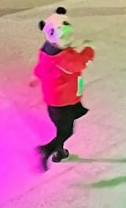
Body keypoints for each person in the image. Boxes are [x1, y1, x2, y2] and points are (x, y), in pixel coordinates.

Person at [33, 12, 94, 170]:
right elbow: (79, 64)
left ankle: (59, 152)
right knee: (66, 131)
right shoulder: (63, 58)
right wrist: (89, 50)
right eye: (63, 37)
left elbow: (40, 69)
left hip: (57, 101)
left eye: (69, 35)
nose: (68, 40)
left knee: (66, 122)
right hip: (63, 101)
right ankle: (47, 149)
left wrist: (37, 77)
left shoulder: (47, 52)